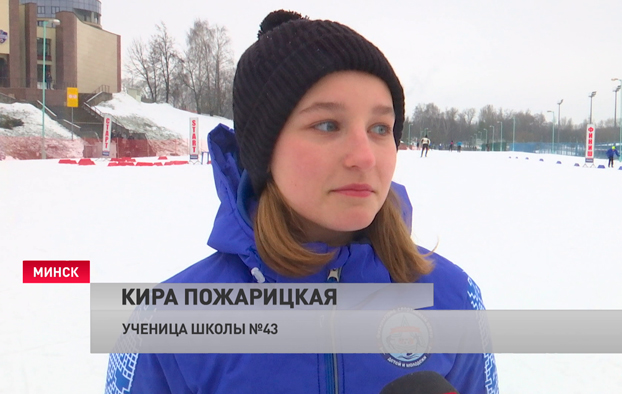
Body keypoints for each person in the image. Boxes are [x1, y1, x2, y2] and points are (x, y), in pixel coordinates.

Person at [104, 10, 498, 394]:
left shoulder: (454, 298)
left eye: (380, 128)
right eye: (327, 125)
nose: (365, 156)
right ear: (264, 151)